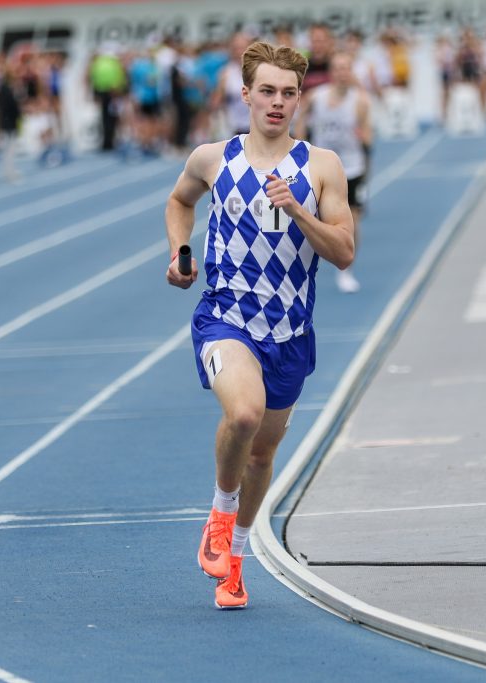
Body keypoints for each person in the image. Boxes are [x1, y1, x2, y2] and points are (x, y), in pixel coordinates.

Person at [164, 41, 354, 609]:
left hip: (290, 331)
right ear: (245, 95)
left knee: (263, 454)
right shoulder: (213, 158)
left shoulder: (321, 166)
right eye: (266, 92)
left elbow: (343, 251)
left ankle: (237, 561)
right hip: (226, 318)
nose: (277, 103)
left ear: (300, 99)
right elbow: (179, 202)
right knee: (242, 413)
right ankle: (220, 519)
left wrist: (299, 211)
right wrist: (179, 251)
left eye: (288, 93)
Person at [295, 51, 371, 293]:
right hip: (320, 169)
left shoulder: (360, 101)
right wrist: (299, 146)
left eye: (346, 68)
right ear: (331, 72)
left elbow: (368, 135)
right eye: (337, 68)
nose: (342, 73)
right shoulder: (316, 97)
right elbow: (299, 120)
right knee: (308, 221)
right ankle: (297, 268)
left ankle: (347, 271)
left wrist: (365, 146)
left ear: (351, 72)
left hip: (352, 167)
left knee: (353, 221)